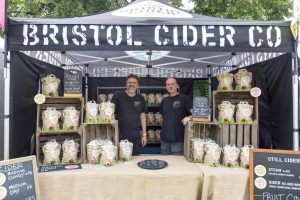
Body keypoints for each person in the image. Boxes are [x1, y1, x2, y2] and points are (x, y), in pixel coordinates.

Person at [111, 74, 147, 155]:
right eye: (129, 82)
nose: (132, 84)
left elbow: (143, 116)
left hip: (136, 136)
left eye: (134, 83)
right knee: (121, 160)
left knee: (135, 160)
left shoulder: (140, 98)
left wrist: (144, 134)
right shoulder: (118, 96)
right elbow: (111, 112)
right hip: (121, 136)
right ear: (126, 84)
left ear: (137, 85)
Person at [160, 77, 193, 155]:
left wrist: (189, 117)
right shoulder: (164, 100)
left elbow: (197, 113)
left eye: (172, 84)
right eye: (168, 84)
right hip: (164, 140)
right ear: (166, 87)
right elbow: (163, 118)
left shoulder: (184, 98)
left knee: (177, 165)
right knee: (165, 164)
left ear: (177, 85)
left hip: (178, 140)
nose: (170, 86)